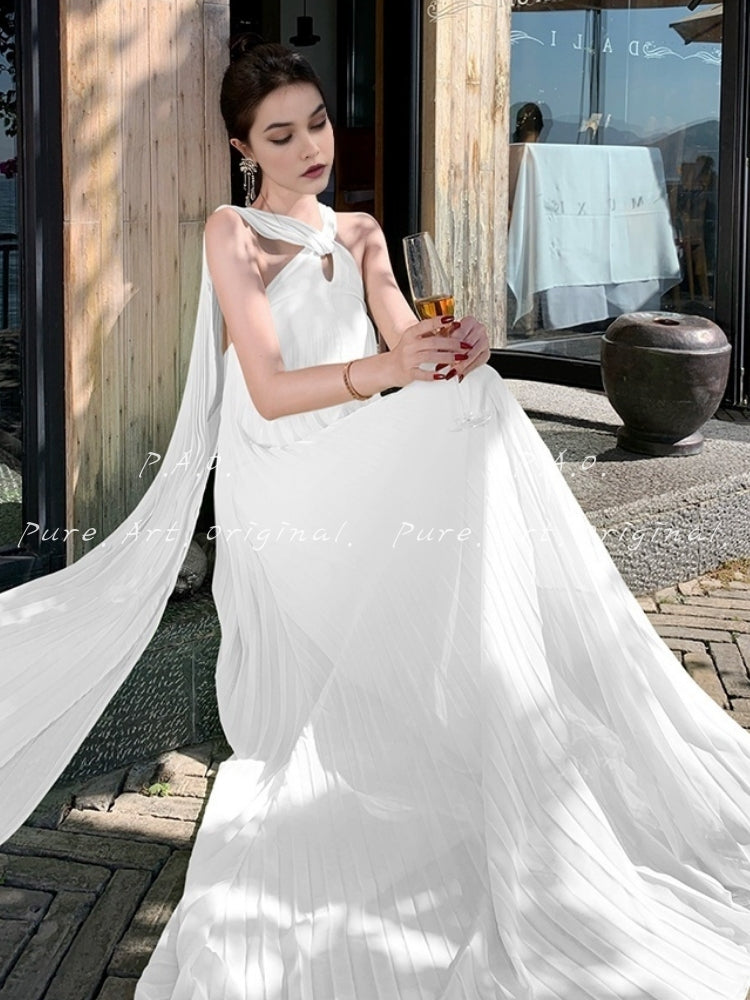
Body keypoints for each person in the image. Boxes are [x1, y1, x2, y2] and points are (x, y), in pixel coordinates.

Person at [3, 36, 750, 1000]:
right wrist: (394, 369)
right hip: (281, 478)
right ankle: (501, 674)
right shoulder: (233, 232)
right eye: (281, 134)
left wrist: (452, 348)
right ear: (243, 149)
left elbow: (408, 340)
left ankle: (511, 689)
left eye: (317, 122)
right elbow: (268, 390)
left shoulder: (359, 233)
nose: (311, 146)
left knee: (477, 399)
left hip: (354, 449)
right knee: (466, 416)